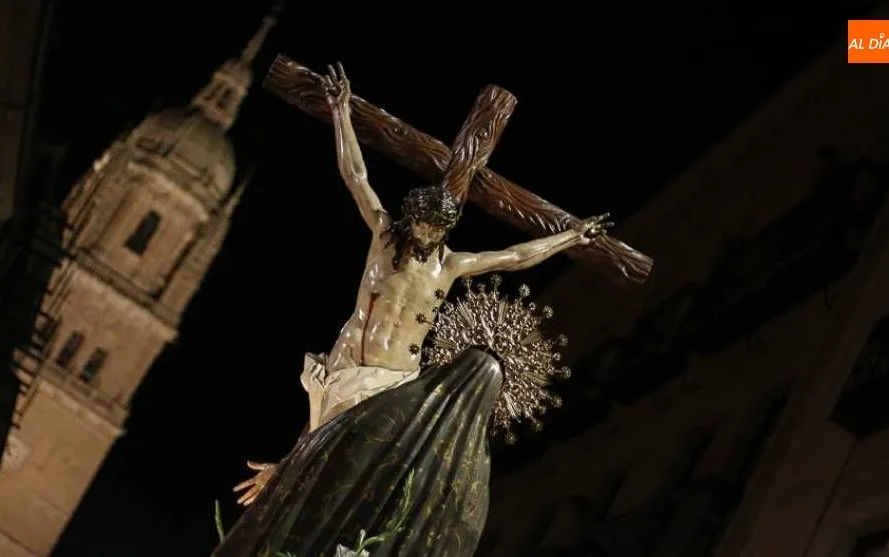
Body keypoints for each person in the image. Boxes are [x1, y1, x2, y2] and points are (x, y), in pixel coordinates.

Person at [212, 63, 610, 557]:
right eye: (420, 228)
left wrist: (572, 236)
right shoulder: (384, 238)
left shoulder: (450, 265)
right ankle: (286, 492)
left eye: (434, 234)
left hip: (390, 381)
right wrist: (341, 112)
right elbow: (355, 176)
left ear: (444, 231)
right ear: (411, 218)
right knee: (314, 444)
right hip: (346, 366)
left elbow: (516, 256)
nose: (424, 240)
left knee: (350, 464)